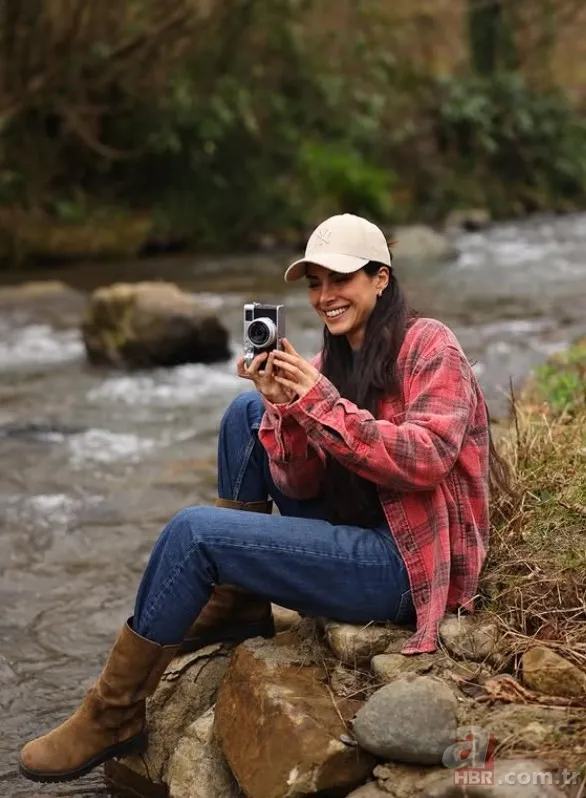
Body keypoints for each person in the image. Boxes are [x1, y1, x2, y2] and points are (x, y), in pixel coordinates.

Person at [19, 213, 505, 784]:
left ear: (381, 279)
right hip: (358, 525)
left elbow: (427, 458)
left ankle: (115, 712)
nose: (325, 297)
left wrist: (318, 401)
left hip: (408, 564)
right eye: (314, 283)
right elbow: (298, 485)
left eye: (340, 279)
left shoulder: (431, 345)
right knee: (246, 413)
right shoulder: (333, 360)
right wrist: (285, 409)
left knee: (194, 532)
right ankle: (237, 603)